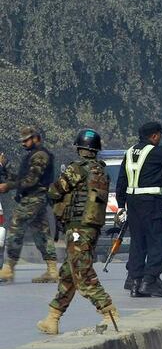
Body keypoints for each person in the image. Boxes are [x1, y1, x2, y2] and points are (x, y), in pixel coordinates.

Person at [37, 129, 119, 334]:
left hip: (78, 228)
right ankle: (52, 317)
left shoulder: (76, 169)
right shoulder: (101, 170)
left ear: (80, 149)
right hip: (91, 229)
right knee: (67, 273)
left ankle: (109, 313)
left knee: (82, 272)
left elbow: (56, 190)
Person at [117, 122, 162, 297]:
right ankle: (149, 281)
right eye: (160, 135)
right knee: (157, 242)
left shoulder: (129, 153)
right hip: (150, 204)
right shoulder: (154, 152)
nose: (160, 138)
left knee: (138, 243)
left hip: (133, 204)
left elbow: (121, 181)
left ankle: (135, 282)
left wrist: (121, 206)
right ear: (154, 136)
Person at [0, 126, 57, 283]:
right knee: (42, 234)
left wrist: (8, 186)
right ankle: (52, 270)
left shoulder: (40, 156)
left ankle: (8, 268)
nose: (23, 144)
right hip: (34, 198)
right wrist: (5, 167)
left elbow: (31, 181)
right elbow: (21, 178)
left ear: (36, 138)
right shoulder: (32, 156)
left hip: (34, 198)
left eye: (26, 140)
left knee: (16, 225)